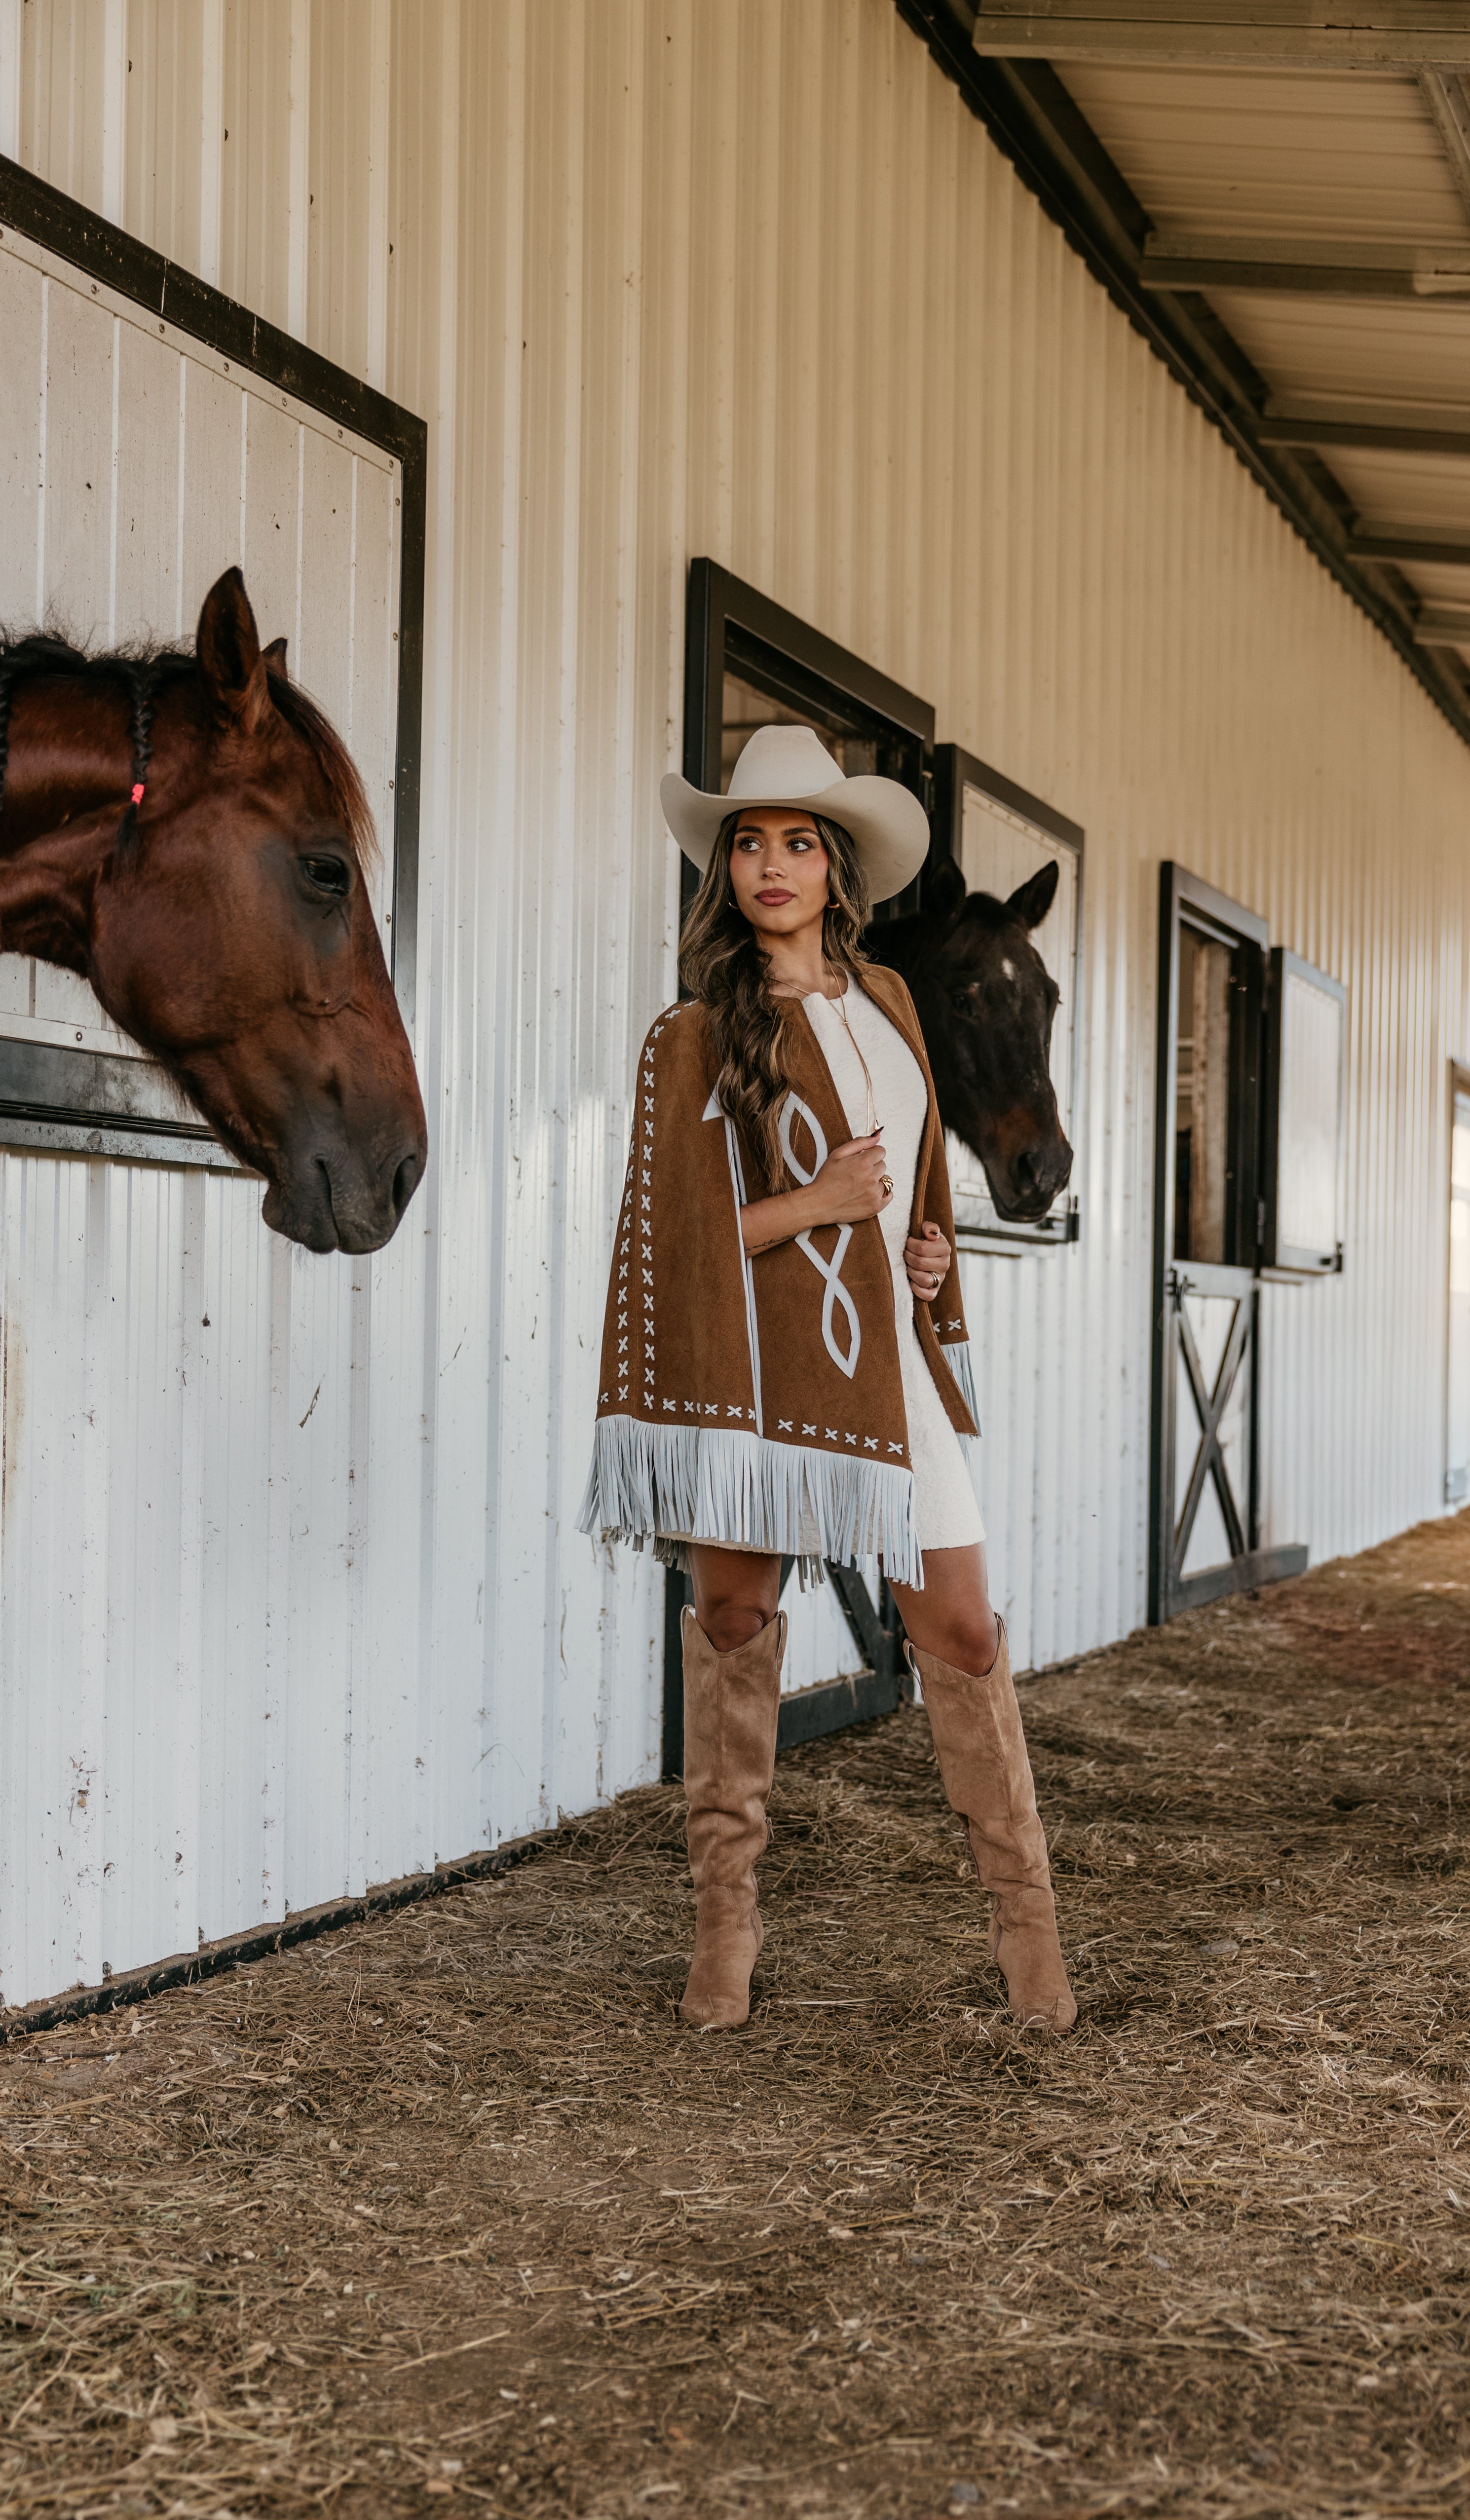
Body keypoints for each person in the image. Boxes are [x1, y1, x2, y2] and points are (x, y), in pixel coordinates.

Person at [578, 722, 1075, 2036]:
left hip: (885, 1370)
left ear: (841, 867)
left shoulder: (898, 1008)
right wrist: (819, 1201)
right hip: (753, 1386)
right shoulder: (691, 1036)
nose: (773, 865)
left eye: (799, 841)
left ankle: (1033, 1955)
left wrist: (920, 1255)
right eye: (751, 842)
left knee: (964, 1631)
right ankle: (723, 1938)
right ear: (728, 868)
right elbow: (675, 1237)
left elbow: (908, 1183)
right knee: (736, 1631)